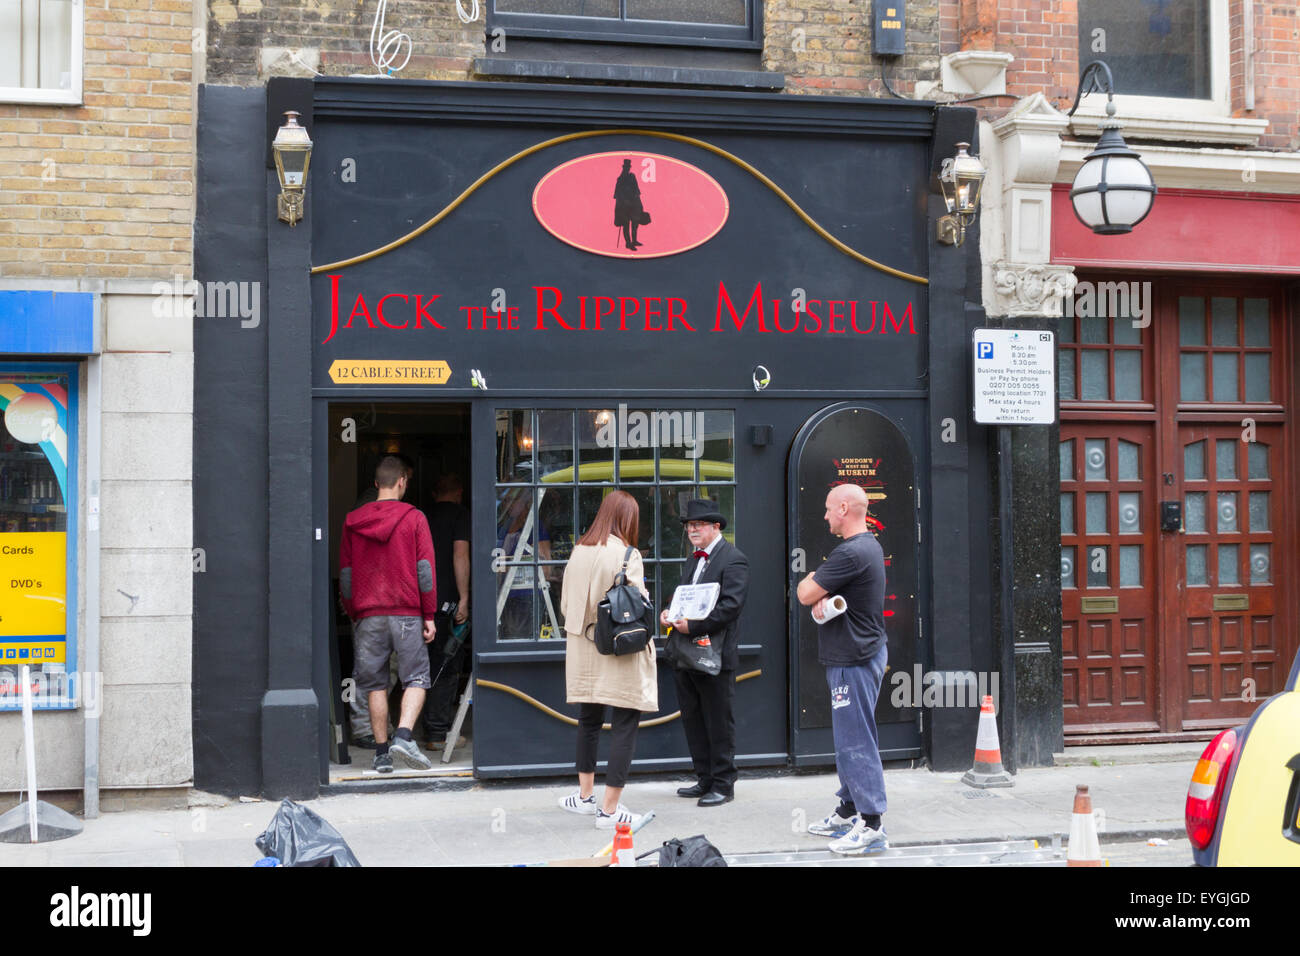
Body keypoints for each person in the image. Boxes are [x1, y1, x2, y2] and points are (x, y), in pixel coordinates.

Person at [796, 483, 890, 855]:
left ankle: (871, 824)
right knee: (850, 737)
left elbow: (804, 592)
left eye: (828, 508)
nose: (824, 515)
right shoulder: (868, 547)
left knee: (855, 740)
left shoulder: (852, 552)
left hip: (854, 659)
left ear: (845, 508)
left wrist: (815, 591)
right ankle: (849, 810)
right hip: (856, 654)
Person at [557, 490, 657, 829]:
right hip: (618, 651)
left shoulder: (578, 551)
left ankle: (585, 798)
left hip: (582, 651)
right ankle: (610, 810)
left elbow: (565, 607)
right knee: (625, 724)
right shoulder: (628, 556)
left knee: (588, 721)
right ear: (627, 520)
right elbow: (641, 609)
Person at [340, 455, 438, 774]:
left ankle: (382, 754)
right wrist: (430, 613)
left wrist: (355, 612)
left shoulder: (353, 521)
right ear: (402, 481)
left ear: (375, 484)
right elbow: (424, 571)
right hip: (407, 611)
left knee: (375, 684)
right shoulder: (414, 517)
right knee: (418, 677)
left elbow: (346, 575)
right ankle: (405, 737)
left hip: (368, 614)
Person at [660, 498, 749, 807]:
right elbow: (684, 596)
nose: (691, 530)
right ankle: (705, 778)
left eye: (698, 525)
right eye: (688, 525)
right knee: (694, 718)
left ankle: (724, 784)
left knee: (718, 720)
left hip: (715, 654)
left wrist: (693, 627)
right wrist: (669, 611)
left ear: (716, 527)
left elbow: (731, 607)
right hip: (686, 653)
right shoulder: (694, 559)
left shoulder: (733, 559)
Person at [420, 472, 471, 750]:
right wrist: (464, 597)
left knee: (421, 667)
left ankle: (422, 727)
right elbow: (460, 555)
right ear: (459, 492)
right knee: (447, 666)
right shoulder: (459, 515)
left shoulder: (421, 515)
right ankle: (437, 733)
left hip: (419, 602)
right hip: (446, 603)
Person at [613, 158, 645, 251]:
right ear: (623, 168)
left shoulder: (632, 176)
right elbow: (617, 193)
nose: (627, 169)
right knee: (626, 224)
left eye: (628, 167)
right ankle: (628, 243)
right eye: (626, 167)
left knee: (635, 223)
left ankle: (634, 241)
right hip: (624, 206)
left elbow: (637, 190)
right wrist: (624, 201)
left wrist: (638, 202)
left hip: (634, 204)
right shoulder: (620, 179)